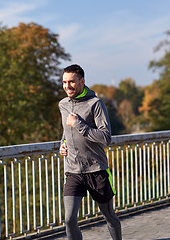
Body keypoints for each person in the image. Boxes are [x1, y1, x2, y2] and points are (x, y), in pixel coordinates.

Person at [59, 64, 122, 240]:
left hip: (96, 170)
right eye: (64, 82)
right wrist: (62, 145)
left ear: (82, 81)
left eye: (71, 82)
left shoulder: (96, 104)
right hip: (73, 172)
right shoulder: (63, 104)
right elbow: (66, 131)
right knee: (69, 219)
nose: (67, 86)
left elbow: (105, 137)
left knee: (109, 216)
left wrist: (79, 124)